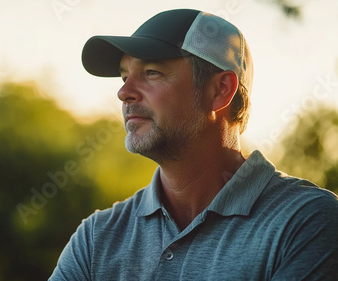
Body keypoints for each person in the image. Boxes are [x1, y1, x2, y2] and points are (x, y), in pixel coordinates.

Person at [49, 9, 338, 280]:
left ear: (220, 90)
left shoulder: (307, 221)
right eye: (125, 76)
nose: (124, 92)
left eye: (152, 72)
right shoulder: (97, 237)